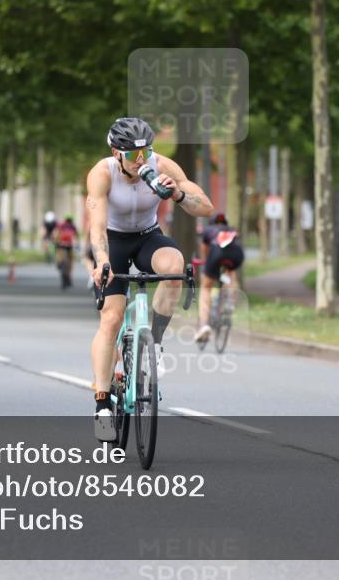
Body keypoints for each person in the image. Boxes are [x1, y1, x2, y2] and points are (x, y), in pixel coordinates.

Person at [87, 117, 213, 440]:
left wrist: (179, 196)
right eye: (133, 155)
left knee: (174, 266)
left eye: (146, 152)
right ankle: (102, 404)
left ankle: (153, 341)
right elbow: (97, 227)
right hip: (112, 241)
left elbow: (206, 207)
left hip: (147, 236)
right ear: (117, 153)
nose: (141, 161)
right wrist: (102, 261)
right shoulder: (102, 174)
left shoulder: (161, 166)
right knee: (112, 317)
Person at [195, 213, 244, 343]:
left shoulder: (208, 231)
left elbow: (204, 250)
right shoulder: (231, 230)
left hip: (216, 255)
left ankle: (204, 325)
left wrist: (206, 263)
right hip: (236, 255)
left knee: (205, 288)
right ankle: (230, 301)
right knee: (230, 273)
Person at [54, 215, 79, 289]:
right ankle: (68, 277)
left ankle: (59, 264)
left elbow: (56, 234)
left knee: (61, 258)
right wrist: (77, 245)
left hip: (61, 245)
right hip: (69, 246)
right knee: (70, 262)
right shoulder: (73, 226)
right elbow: (75, 237)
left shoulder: (61, 225)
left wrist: (56, 242)